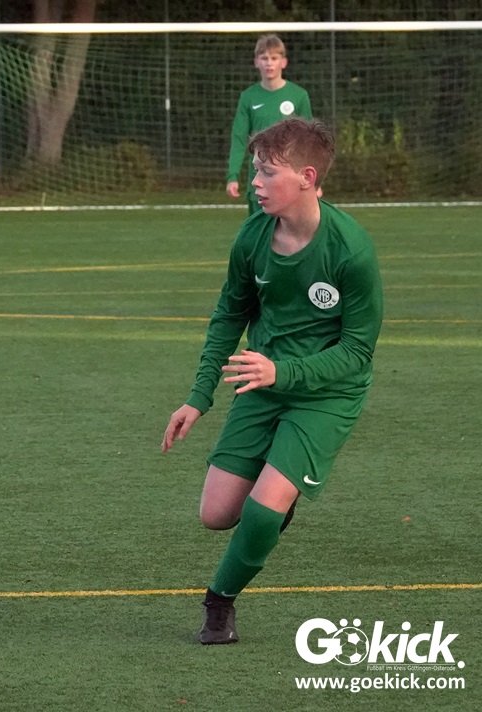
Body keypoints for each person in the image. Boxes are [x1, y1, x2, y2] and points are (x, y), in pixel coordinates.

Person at [163, 117, 383, 645]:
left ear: (307, 177)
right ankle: (277, 496)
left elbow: (357, 352)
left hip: (327, 393)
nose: (256, 183)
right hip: (263, 382)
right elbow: (228, 315)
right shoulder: (253, 236)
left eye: (267, 172)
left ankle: (220, 603)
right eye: (255, 171)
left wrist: (283, 371)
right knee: (216, 514)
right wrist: (198, 397)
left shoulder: (351, 250)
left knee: (261, 513)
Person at [226, 34, 313, 214]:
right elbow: (239, 138)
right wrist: (233, 176)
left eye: (274, 58)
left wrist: (314, 181)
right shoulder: (248, 97)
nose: (269, 63)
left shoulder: (299, 96)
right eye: (264, 58)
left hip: (290, 181)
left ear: (284, 62)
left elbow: (309, 141)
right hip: (259, 181)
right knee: (259, 231)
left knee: (289, 231)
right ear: (256, 62)